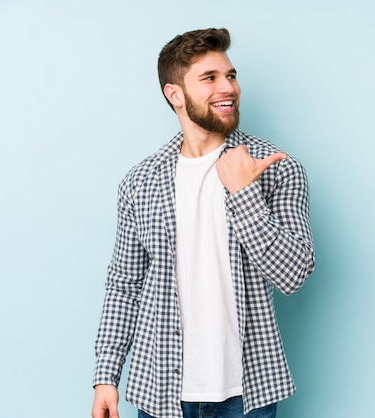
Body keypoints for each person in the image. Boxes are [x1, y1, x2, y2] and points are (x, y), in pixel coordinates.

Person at [91, 28, 315, 418]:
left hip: (248, 394)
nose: (227, 87)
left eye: (230, 75)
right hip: (160, 390)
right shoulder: (140, 182)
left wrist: (244, 194)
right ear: (174, 94)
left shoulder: (276, 168)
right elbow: (124, 284)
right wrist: (106, 375)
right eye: (209, 78)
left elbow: (294, 275)